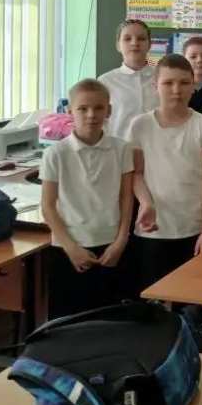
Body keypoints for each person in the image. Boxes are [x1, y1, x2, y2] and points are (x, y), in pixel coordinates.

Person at [128, 54, 202, 291]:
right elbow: (136, 173)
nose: (176, 90)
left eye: (183, 83)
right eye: (168, 83)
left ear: (193, 85)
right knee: (154, 299)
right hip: (153, 230)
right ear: (155, 85)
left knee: (191, 298)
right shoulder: (140, 125)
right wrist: (146, 202)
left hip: (194, 228)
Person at [40, 79, 134, 319]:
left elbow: (126, 197)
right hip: (68, 248)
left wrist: (121, 241)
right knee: (68, 322)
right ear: (70, 111)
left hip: (111, 246)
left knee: (109, 320)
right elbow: (48, 206)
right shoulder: (55, 153)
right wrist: (71, 248)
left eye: (98, 108)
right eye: (83, 108)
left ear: (108, 111)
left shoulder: (122, 149)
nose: (91, 115)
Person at [98, 19, 157, 139]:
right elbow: (100, 122)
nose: (134, 43)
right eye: (127, 38)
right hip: (119, 148)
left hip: (157, 147)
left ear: (149, 44)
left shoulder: (162, 78)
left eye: (141, 38)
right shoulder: (105, 81)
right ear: (118, 45)